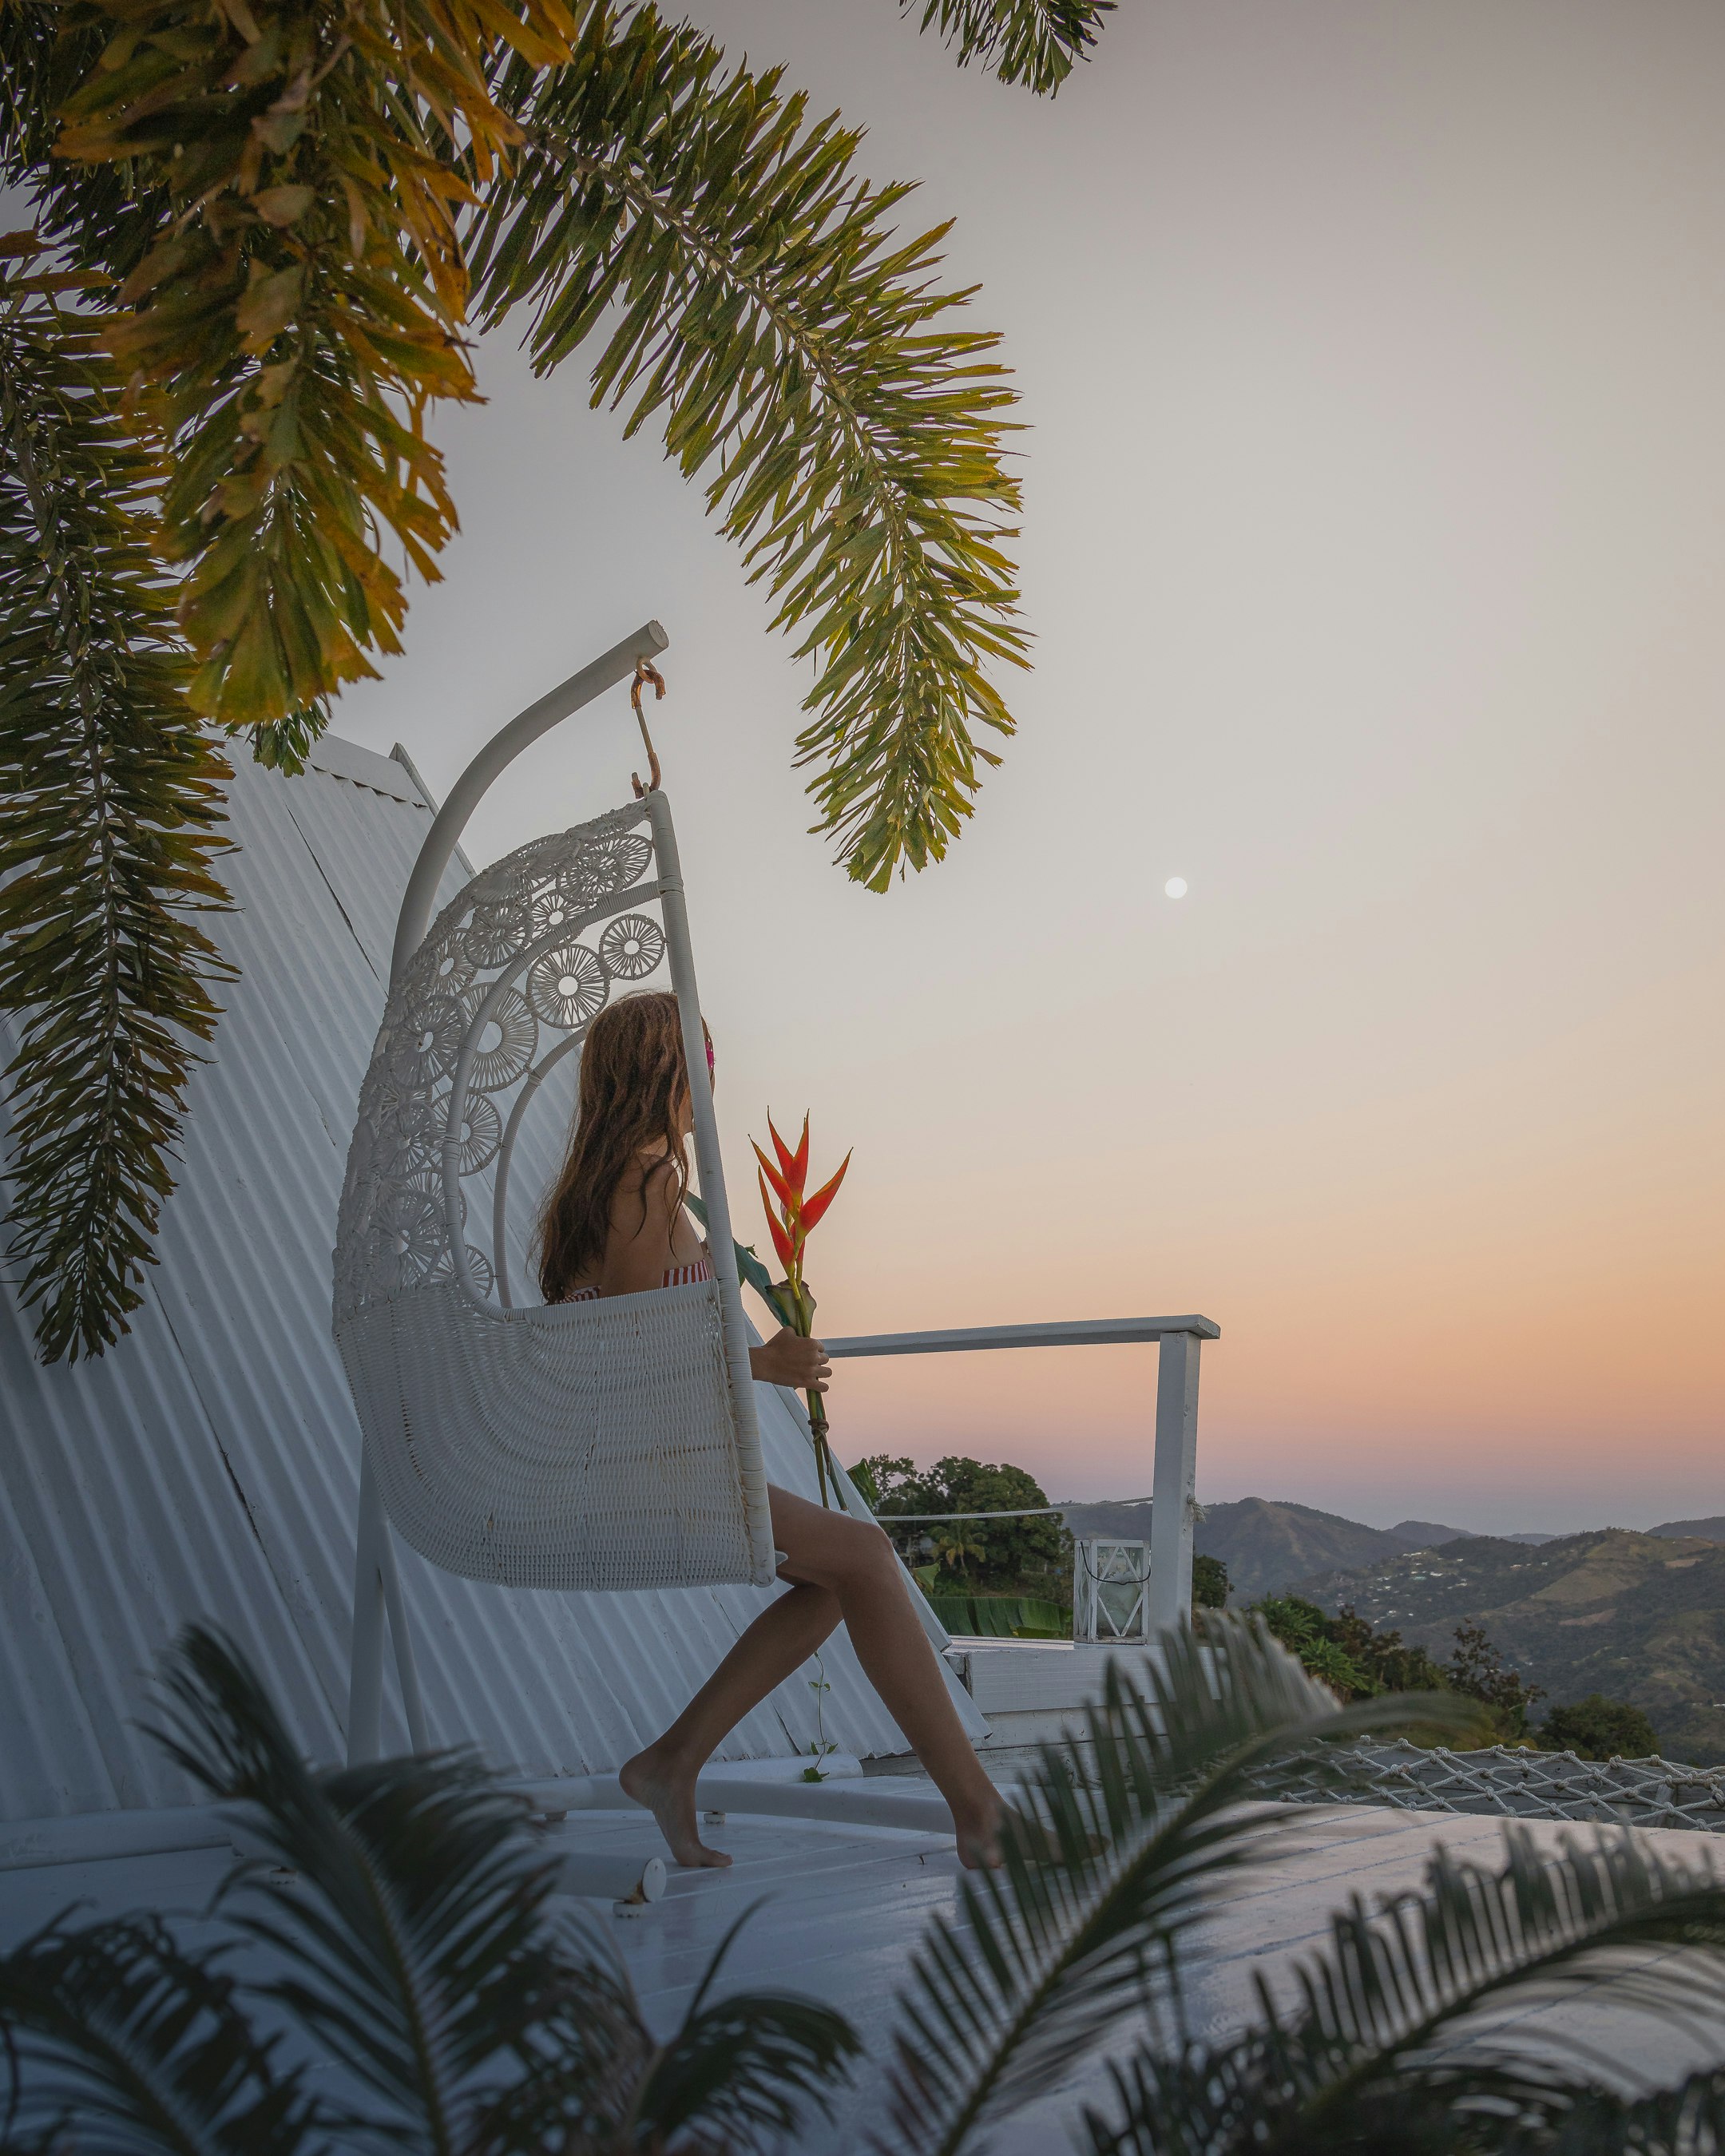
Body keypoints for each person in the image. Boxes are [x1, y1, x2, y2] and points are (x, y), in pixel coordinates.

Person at [537, 989, 1005, 1870]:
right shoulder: (646, 1185)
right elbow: (637, 1349)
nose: (710, 1081)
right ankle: (979, 1812)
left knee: (834, 1579)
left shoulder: (603, 1188)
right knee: (864, 1557)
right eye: (702, 1063)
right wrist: (767, 1364)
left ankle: (672, 1764)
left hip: (638, 1457)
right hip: (646, 1468)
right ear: (670, 1074)